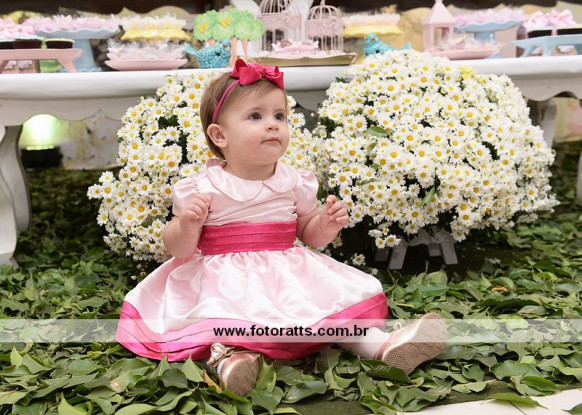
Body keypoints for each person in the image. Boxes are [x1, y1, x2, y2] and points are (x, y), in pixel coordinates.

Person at [116, 59, 447, 396]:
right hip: (223, 280)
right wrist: (187, 225)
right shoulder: (202, 187)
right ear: (220, 135)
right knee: (224, 322)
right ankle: (231, 362)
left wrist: (325, 224)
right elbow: (179, 248)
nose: (273, 125)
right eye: (255, 116)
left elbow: (307, 232)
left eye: (280, 115)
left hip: (286, 274)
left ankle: (382, 346)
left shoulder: (294, 181)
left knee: (330, 314)